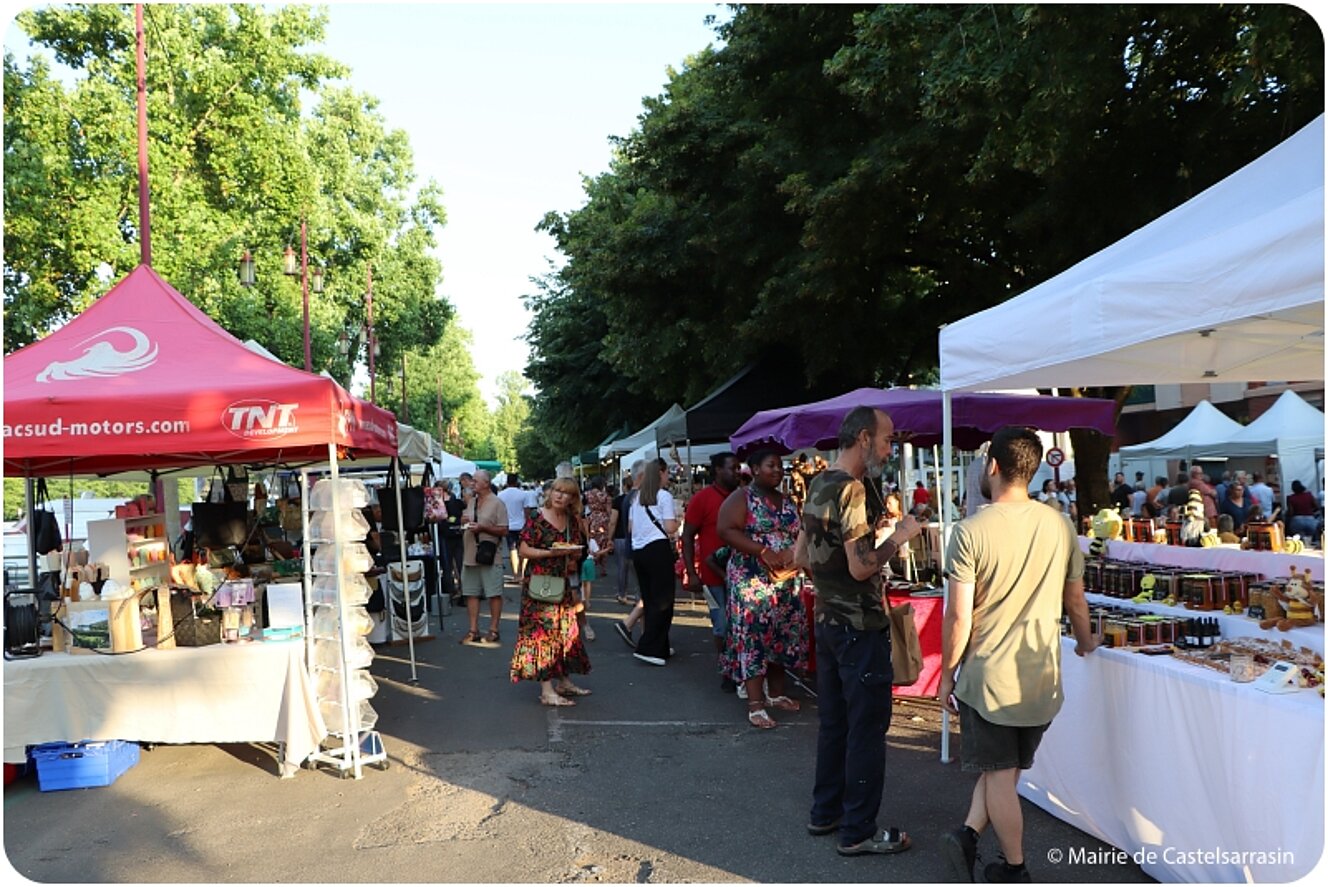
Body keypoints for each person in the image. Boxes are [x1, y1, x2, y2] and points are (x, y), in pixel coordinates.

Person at [938, 426, 1096, 884]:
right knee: (1000, 772)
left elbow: (958, 618)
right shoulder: (1060, 524)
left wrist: (947, 674)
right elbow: (1077, 603)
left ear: (992, 466)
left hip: (990, 679)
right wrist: (1086, 643)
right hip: (1041, 676)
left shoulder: (969, 531)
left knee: (1000, 776)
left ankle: (1014, 868)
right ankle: (966, 836)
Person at [794, 406, 922, 857]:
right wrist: (899, 536)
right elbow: (861, 566)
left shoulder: (819, 483)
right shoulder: (850, 489)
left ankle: (824, 812)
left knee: (834, 723)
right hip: (859, 626)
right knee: (866, 728)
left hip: (827, 620)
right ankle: (858, 830)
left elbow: (801, 557)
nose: (890, 448)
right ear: (864, 438)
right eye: (887, 440)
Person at [717, 447, 808, 727]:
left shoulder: (787, 500)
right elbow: (725, 530)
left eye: (781, 466)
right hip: (752, 578)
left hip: (786, 578)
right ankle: (755, 704)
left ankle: (776, 693)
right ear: (754, 469)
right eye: (771, 466)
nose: (778, 471)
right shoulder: (742, 497)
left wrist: (795, 556)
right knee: (754, 635)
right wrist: (762, 551)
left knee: (782, 632)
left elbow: (801, 531)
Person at [510, 477, 592, 706]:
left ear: (573, 499)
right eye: (557, 490)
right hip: (539, 585)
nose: (559, 496)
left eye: (566, 493)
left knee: (565, 631)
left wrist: (574, 554)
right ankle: (547, 691)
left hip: (563, 583)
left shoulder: (572, 520)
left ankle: (564, 681)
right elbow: (524, 550)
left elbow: (577, 551)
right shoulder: (536, 517)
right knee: (543, 634)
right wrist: (550, 554)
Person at [681, 451, 741, 692]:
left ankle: (742, 667)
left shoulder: (743, 497)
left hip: (742, 574)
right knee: (722, 625)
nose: (738, 472)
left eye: (739, 468)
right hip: (713, 576)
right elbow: (687, 537)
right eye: (732, 468)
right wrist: (691, 572)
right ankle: (727, 668)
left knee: (742, 625)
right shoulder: (702, 499)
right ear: (717, 470)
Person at [628, 457, 678, 666]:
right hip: (658, 549)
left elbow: (631, 528)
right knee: (663, 601)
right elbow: (670, 528)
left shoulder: (637, 497)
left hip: (639, 551)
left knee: (650, 599)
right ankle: (649, 647)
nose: (668, 477)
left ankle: (660, 646)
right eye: (667, 473)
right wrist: (679, 520)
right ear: (661, 473)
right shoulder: (664, 496)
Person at [459, 470, 509, 646]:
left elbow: (504, 530)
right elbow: (465, 521)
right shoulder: (471, 501)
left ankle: (493, 630)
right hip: (470, 554)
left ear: (486, 483)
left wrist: (483, 528)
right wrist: (463, 521)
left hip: (490, 554)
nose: (472, 483)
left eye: (475, 481)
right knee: (471, 593)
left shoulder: (497, 503)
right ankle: (473, 630)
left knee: (493, 593)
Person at [580, 475, 614, 642]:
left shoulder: (586, 495)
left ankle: (594, 558)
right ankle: (602, 566)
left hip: (592, 519)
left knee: (590, 540)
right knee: (601, 544)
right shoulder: (605, 495)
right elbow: (609, 510)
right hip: (602, 520)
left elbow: (584, 508)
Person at [497, 474, 531, 579]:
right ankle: (521, 570)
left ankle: (515, 573)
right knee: (522, 548)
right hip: (521, 525)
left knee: (512, 549)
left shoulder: (501, 495)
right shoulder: (523, 494)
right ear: (517, 482)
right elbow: (527, 511)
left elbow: (499, 511)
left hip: (508, 525)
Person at [610, 473, 636, 606]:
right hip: (637, 536)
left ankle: (622, 593)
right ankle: (640, 594)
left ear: (625, 486)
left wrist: (609, 537)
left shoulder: (618, 500)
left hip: (621, 536)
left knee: (622, 567)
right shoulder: (638, 499)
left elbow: (613, 521)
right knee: (636, 567)